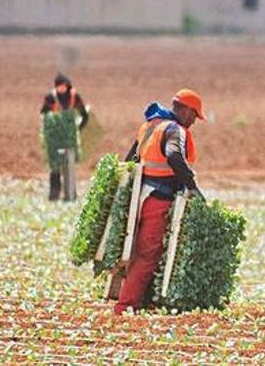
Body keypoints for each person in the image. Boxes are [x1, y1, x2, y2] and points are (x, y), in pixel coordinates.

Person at [113, 89, 208, 315]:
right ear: (185, 110)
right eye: (194, 115)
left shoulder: (150, 126)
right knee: (148, 254)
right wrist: (192, 186)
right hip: (158, 199)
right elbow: (174, 155)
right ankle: (125, 306)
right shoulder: (175, 130)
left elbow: (129, 160)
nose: (194, 121)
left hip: (141, 197)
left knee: (140, 251)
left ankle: (142, 300)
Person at [40, 73, 90, 201]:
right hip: (54, 140)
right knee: (55, 168)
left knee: (70, 167)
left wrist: (77, 129)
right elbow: (43, 115)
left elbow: (84, 115)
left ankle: (70, 196)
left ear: (66, 86)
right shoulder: (51, 97)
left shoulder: (74, 96)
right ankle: (54, 196)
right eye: (58, 87)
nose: (61, 89)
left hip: (69, 140)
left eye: (63, 86)